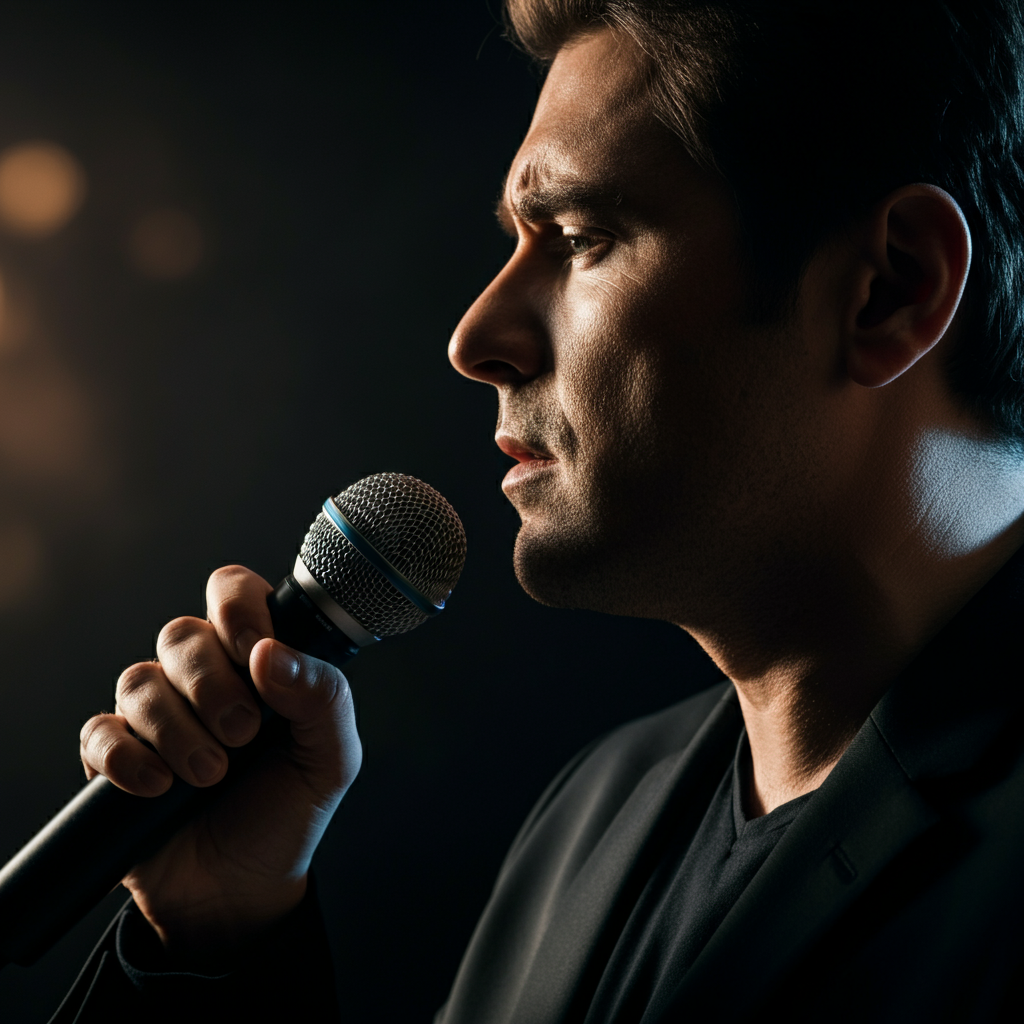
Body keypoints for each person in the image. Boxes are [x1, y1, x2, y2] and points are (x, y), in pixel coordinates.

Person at [52, 0, 1024, 1020]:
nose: (475, 336)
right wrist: (216, 942)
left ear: (890, 289)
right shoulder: (591, 819)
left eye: (576, 237)